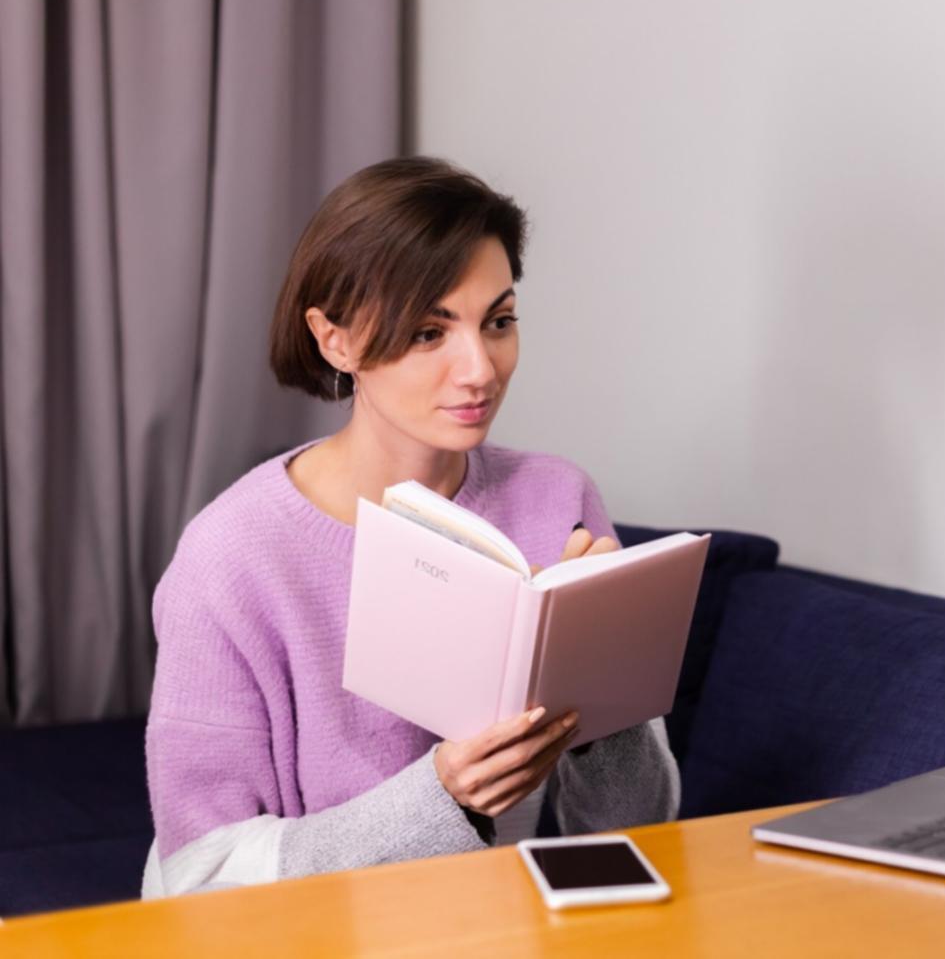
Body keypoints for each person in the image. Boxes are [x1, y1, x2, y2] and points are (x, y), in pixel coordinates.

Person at [141, 157, 679, 897]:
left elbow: (633, 833)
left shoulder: (556, 498)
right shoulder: (233, 555)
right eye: (429, 332)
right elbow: (205, 878)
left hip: (486, 930)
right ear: (335, 341)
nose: (480, 370)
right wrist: (442, 799)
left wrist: (608, 693)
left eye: (498, 322)